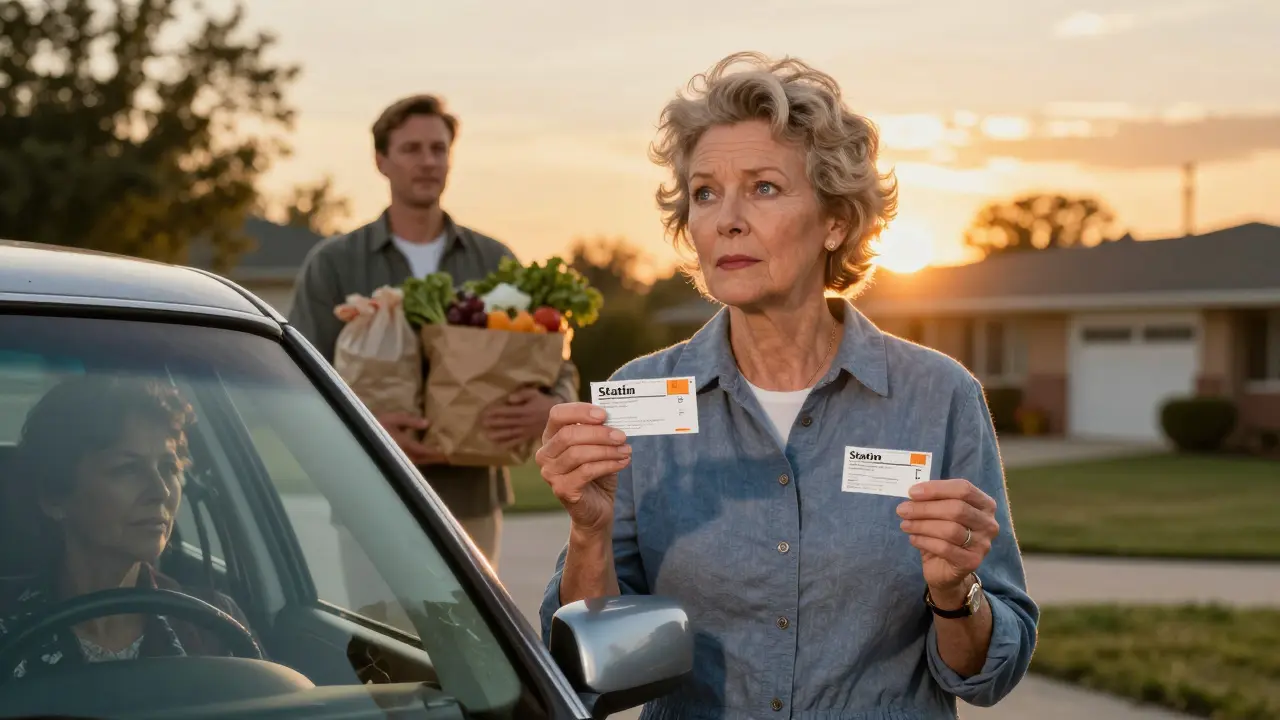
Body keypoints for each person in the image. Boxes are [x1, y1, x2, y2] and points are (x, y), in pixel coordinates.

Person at [537, 52, 1038, 718]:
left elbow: (988, 675)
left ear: (835, 220)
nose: (726, 219)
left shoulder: (938, 397)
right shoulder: (640, 400)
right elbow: (587, 674)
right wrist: (588, 534)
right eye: (706, 192)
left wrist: (955, 592)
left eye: (764, 187)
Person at [287, 94, 580, 570]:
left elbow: (556, 359)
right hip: (372, 492)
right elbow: (300, 378)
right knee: (377, 637)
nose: (427, 162)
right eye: (411, 149)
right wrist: (367, 429)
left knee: (471, 643)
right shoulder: (335, 264)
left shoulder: (494, 260)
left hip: (473, 499)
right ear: (381, 160)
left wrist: (551, 406)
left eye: (438, 149)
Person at [0, 375, 254, 679]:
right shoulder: (8, 623)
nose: (160, 491)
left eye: (168, 467)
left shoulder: (212, 622)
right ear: (54, 497)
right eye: (127, 469)